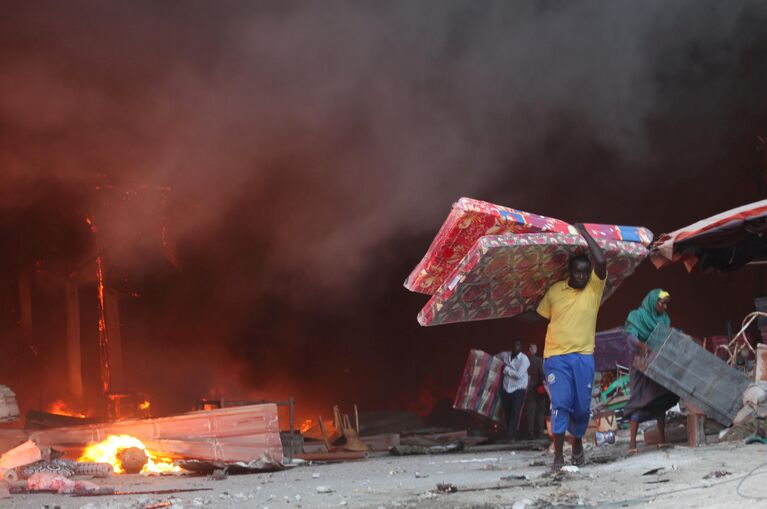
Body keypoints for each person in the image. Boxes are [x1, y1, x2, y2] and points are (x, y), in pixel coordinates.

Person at [535, 223, 606, 470]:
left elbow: (602, 262)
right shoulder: (555, 291)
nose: (582, 277)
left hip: (584, 357)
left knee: (581, 407)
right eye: (578, 272)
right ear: (570, 271)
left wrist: (585, 234)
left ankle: (577, 443)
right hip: (555, 357)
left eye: (586, 273)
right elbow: (538, 314)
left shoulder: (594, 290)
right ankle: (558, 456)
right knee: (561, 403)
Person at [623, 289, 678, 454]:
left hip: (658, 365)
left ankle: (662, 439)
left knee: (659, 400)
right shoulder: (637, 316)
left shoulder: (664, 319)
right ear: (653, 302)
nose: (665, 307)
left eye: (666, 304)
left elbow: (666, 338)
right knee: (639, 400)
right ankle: (632, 444)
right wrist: (642, 346)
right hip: (641, 365)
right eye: (662, 303)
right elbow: (631, 337)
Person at [498, 339, 530, 441]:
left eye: (519, 346)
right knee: (507, 413)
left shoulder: (524, 359)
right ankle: (510, 433)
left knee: (515, 412)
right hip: (506, 388)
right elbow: (494, 358)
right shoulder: (505, 355)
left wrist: (506, 370)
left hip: (518, 389)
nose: (517, 347)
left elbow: (519, 375)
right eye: (515, 345)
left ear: (521, 348)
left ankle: (510, 436)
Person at [524, 343, 546, 439]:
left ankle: (530, 433)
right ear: (531, 349)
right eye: (534, 348)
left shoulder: (524, 360)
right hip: (539, 389)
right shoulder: (539, 361)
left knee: (530, 412)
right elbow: (543, 375)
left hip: (529, 389)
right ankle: (540, 432)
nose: (535, 350)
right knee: (540, 411)